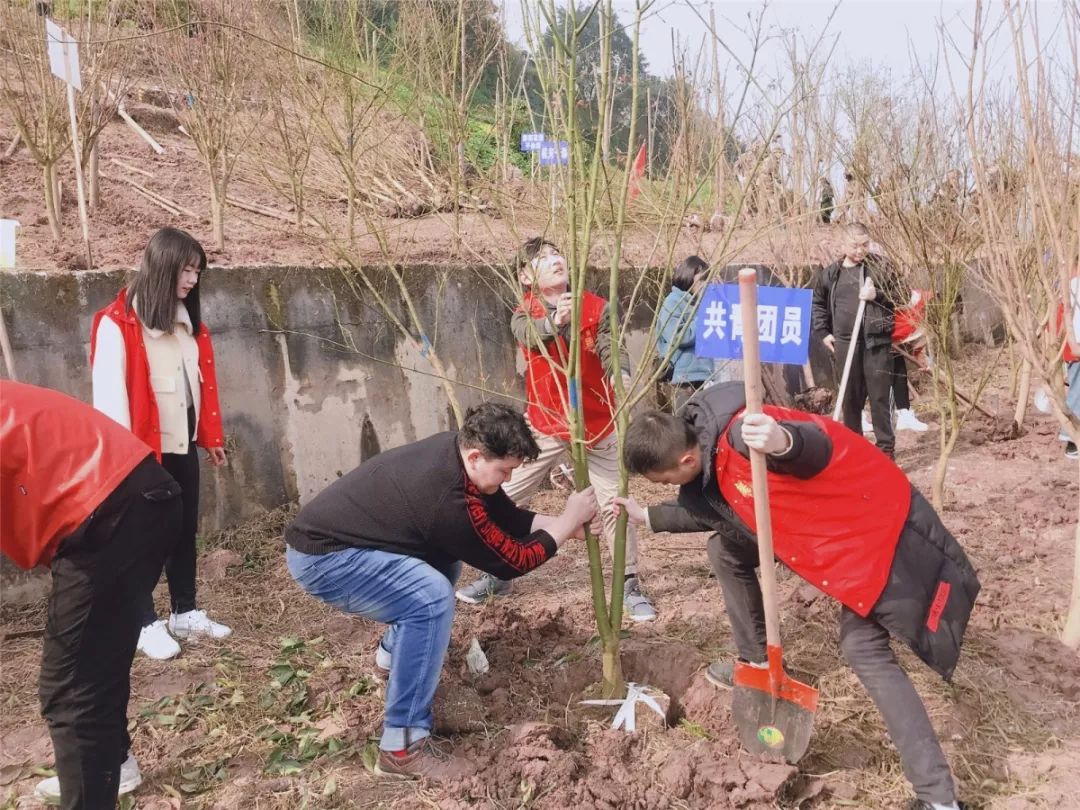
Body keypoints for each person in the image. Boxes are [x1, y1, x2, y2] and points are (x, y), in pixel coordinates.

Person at [613, 383, 979, 810]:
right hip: (812, 528)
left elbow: (815, 448)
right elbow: (718, 509)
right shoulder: (704, 450)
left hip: (869, 532)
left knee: (864, 647)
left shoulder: (742, 435)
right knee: (724, 548)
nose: (665, 486)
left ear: (686, 459)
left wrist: (782, 440)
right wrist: (648, 516)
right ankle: (758, 663)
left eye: (664, 481)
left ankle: (938, 800)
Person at [284, 402, 599, 780]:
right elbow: (511, 562)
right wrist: (565, 524)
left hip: (349, 542)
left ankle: (390, 659)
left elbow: (505, 515)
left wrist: (563, 523)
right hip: (325, 561)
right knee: (430, 596)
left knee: (443, 563)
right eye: (504, 471)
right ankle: (401, 747)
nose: (505, 479)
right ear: (476, 455)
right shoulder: (447, 498)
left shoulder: (457, 455)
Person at [454, 237, 657, 621]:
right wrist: (555, 322)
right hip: (545, 422)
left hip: (599, 424)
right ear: (526, 276)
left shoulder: (595, 306)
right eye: (542, 258)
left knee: (615, 502)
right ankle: (498, 573)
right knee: (501, 492)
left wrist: (621, 376)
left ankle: (626, 583)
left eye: (556, 253)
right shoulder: (523, 312)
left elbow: (612, 346)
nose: (555, 260)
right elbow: (529, 335)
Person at [1, 381, 182, 809]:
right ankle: (111, 767)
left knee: (70, 686)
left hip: (113, 509)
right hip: (130, 500)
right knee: (92, 664)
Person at [90, 227, 230, 661]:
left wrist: (210, 438)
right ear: (162, 266)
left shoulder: (190, 326)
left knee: (183, 529)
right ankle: (142, 620)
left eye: (197, 272)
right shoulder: (118, 324)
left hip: (181, 446)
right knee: (141, 537)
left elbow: (197, 391)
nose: (192, 280)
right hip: (139, 454)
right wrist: (124, 462)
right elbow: (110, 398)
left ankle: (184, 611)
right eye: (186, 270)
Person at [813, 222, 905, 457]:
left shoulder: (881, 267)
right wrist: (823, 333)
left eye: (865, 245)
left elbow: (902, 295)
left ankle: (886, 451)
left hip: (876, 344)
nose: (860, 250)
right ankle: (854, 451)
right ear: (843, 245)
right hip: (844, 345)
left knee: (880, 398)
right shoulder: (831, 274)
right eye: (855, 245)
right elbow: (818, 304)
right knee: (850, 400)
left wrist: (878, 296)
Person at [654, 255, 715, 412]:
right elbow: (680, 336)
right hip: (683, 378)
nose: (704, 285)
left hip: (703, 375)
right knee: (685, 426)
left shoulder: (699, 303)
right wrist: (704, 319)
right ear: (688, 276)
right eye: (701, 280)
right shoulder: (673, 302)